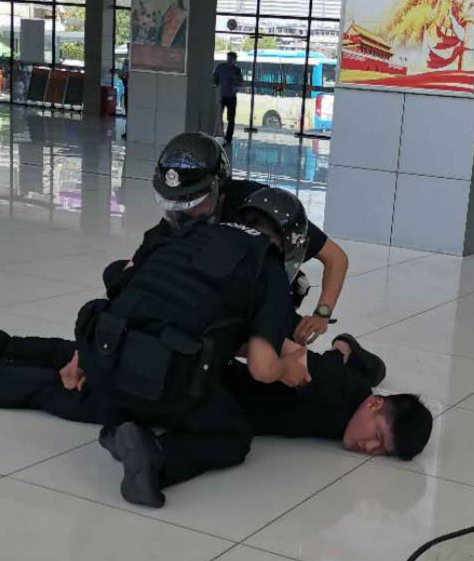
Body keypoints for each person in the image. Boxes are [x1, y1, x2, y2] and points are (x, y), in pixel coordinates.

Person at [0, 322, 433, 499]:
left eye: (379, 451)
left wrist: (344, 345)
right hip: (205, 381)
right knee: (87, 393)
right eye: (377, 434)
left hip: (204, 378)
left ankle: (0, 348)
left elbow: (358, 359)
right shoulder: (333, 389)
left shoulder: (355, 389)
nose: (368, 447)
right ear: (374, 405)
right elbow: (288, 356)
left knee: (96, 361)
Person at [75, 132, 311, 507]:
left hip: (101, 357)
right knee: (233, 434)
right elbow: (262, 368)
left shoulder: (186, 232)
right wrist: (288, 370)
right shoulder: (268, 269)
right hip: (159, 375)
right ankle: (156, 459)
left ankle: (120, 422)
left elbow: (126, 285)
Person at [104, 176, 349, 346]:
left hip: (255, 291)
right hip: (211, 288)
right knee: (118, 275)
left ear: (216, 189)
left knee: (278, 340)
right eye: (180, 200)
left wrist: (322, 313)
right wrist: (108, 322)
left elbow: (336, 258)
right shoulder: (184, 213)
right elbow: (137, 262)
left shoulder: (261, 206)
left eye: (193, 199)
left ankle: (341, 349)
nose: (186, 208)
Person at [213, 52, 244, 141]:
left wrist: (236, 86)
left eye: (233, 59)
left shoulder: (237, 70)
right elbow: (214, 79)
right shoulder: (221, 67)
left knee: (230, 118)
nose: (233, 61)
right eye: (231, 59)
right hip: (221, 96)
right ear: (228, 58)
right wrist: (216, 88)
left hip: (231, 97)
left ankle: (228, 137)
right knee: (219, 116)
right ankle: (220, 134)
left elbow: (240, 82)